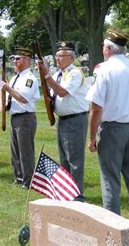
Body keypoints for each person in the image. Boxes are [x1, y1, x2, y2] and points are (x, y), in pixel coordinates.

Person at [85, 28, 129, 235]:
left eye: (103, 47)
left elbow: (96, 107)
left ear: (108, 48)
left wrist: (91, 137)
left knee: (110, 182)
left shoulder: (104, 70)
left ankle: (113, 232)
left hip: (112, 130)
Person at [37, 41, 89, 201]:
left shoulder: (75, 73)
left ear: (71, 57)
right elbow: (53, 94)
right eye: (57, 56)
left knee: (74, 159)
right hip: (63, 120)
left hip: (75, 120)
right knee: (64, 158)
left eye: (61, 56)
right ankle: (66, 192)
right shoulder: (59, 74)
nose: (57, 59)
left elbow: (62, 92)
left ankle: (77, 194)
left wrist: (46, 76)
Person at [0, 47, 40, 189]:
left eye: (18, 58)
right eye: (13, 58)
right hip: (15, 117)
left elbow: (23, 98)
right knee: (15, 151)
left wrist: (8, 89)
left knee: (25, 152)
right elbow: (10, 97)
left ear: (27, 60)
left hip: (25, 119)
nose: (14, 61)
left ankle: (28, 181)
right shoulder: (15, 78)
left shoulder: (29, 79)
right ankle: (19, 177)